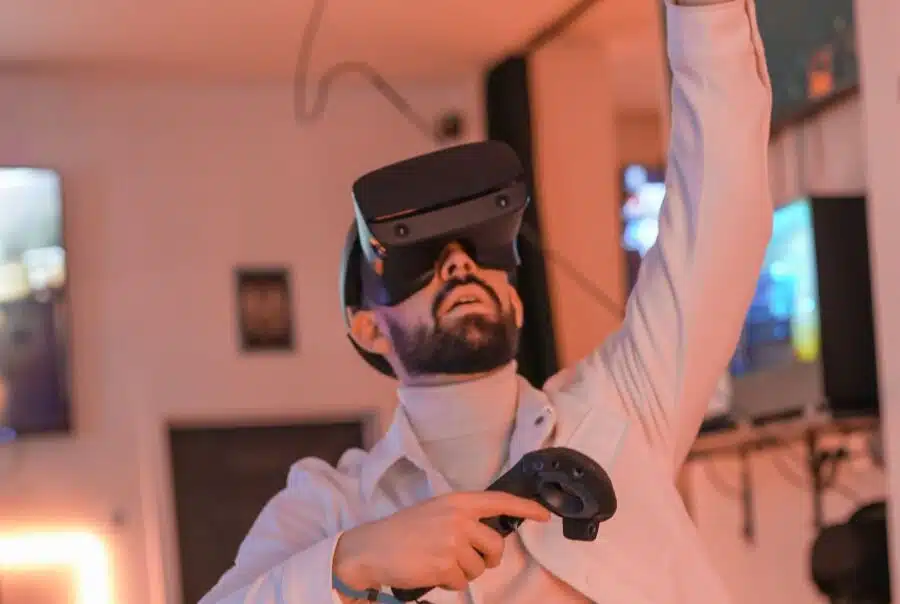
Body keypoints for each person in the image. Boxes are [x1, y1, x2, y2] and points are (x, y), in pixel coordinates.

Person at [199, 0, 773, 600]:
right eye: (421, 260)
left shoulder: (621, 410)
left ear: (515, 302)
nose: (459, 264)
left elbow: (721, 212)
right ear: (367, 328)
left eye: (479, 251)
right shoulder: (329, 506)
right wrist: (356, 560)